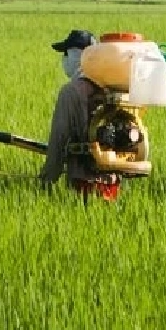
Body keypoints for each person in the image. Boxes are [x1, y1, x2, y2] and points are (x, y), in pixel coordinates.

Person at [38, 29, 121, 203]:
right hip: (112, 181)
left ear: (76, 56)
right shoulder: (111, 87)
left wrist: (46, 179)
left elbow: (58, 140)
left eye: (66, 54)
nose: (64, 60)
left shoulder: (71, 92)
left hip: (84, 182)